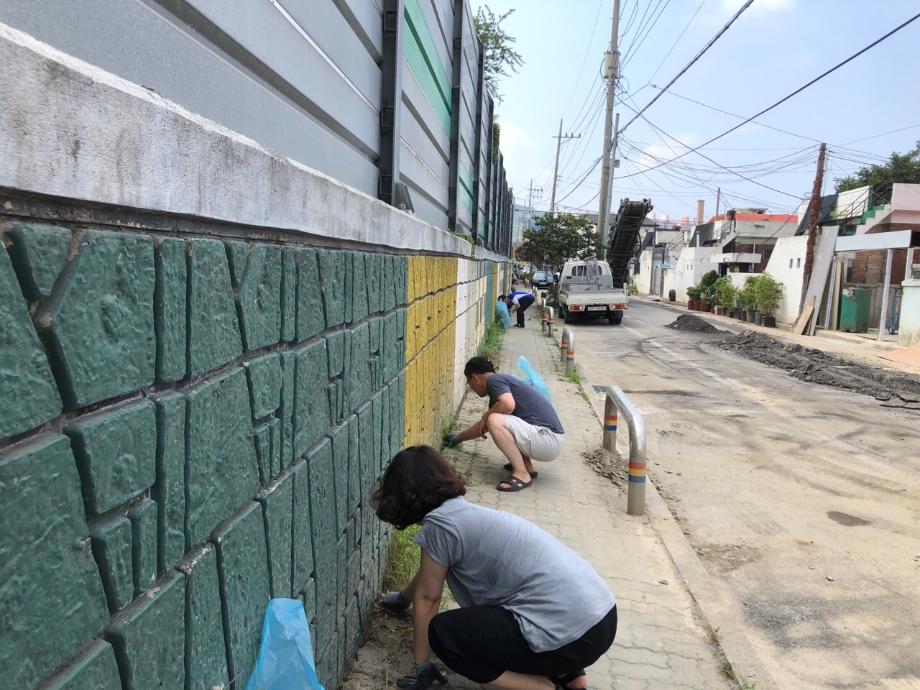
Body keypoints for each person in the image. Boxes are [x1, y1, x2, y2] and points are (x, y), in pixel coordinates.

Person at [377, 446, 617, 690]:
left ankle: (542, 687)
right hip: (601, 619)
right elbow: (429, 575)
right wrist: (402, 599)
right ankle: (570, 675)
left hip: (573, 634)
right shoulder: (463, 514)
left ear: (405, 494)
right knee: (538, 606)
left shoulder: (440, 526)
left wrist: (421, 666)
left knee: (444, 634)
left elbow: (428, 598)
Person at [446, 357, 564, 492]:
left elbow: (507, 405)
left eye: (468, 382)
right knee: (495, 420)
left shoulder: (494, 381)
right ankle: (527, 469)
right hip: (548, 439)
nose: (471, 387)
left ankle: (522, 474)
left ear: (475, 378)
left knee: (494, 420)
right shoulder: (501, 386)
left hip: (548, 439)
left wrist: (486, 415)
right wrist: (457, 439)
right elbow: (482, 427)